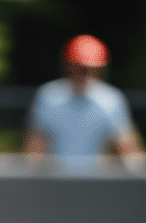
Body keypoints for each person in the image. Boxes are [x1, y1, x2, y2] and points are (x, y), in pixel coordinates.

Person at [24, 35, 143, 168]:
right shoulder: (49, 97)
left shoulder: (111, 100)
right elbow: (35, 147)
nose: (85, 74)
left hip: (97, 183)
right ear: (68, 66)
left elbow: (128, 148)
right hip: (56, 181)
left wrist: (137, 175)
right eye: (80, 68)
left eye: (92, 69)